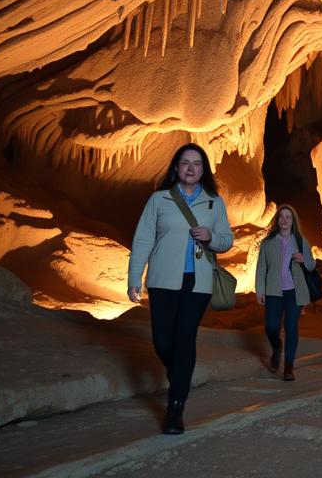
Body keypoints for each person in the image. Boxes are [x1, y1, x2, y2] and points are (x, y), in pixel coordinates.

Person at [127, 143, 233, 434]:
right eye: (185, 163)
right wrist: (135, 277)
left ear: (203, 170)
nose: (190, 168)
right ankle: (180, 375)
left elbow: (227, 240)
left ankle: (175, 408)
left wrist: (211, 236)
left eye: (197, 164)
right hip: (163, 279)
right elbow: (143, 239)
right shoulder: (159, 200)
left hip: (198, 282)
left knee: (185, 338)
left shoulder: (214, 202)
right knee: (162, 340)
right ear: (176, 167)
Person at [255, 204, 317, 381]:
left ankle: (289, 366)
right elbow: (261, 268)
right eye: (281, 217)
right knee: (271, 327)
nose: (284, 220)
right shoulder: (267, 243)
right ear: (277, 220)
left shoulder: (300, 240)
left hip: (294, 292)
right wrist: (260, 290)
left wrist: (304, 259)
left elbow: (312, 265)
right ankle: (276, 347)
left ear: (293, 220)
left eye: (288, 217)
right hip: (273, 291)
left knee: (291, 327)